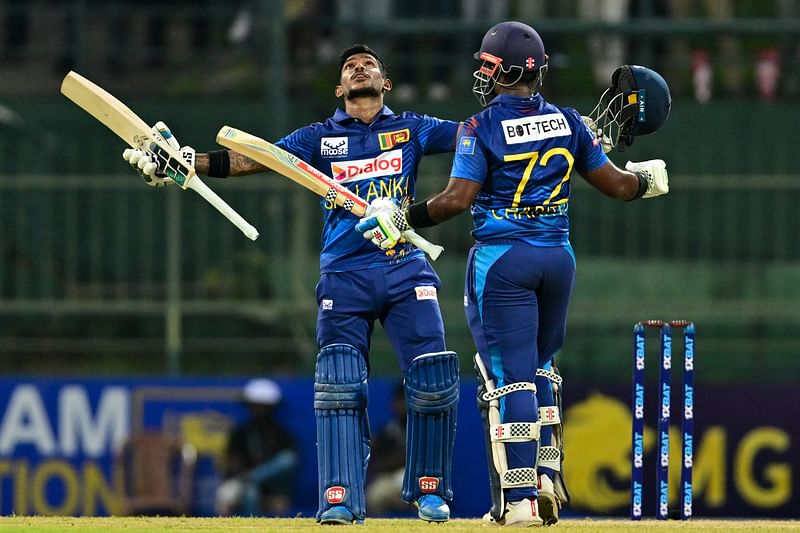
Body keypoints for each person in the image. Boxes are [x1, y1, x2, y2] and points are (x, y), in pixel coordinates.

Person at [122, 43, 461, 525]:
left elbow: (475, 137)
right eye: (349, 67)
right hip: (344, 273)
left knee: (430, 377)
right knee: (340, 384)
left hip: (405, 265)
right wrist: (183, 161)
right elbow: (251, 159)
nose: (359, 67)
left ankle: (430, 491)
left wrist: (544, 124)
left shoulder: (414, 128)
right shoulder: (319, 138)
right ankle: (340, 497)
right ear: (340, 88)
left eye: (369, 64)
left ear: (385, 83)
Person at [356, 21, 671, 527]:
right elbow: (616, 186)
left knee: (508, 379)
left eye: (486, 65)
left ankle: (519, 500)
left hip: (503, 260)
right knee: (542, 366)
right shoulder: (570, 122)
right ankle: (548, 476)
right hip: (557, 259)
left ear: (503, 71)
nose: (481, 73)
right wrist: (647, 181)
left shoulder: (478, 128)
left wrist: (402, 217)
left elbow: (456, 199)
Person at [215, 378, 298, 516]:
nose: (258, 410)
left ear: (271, 408)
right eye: (254, 405)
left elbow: (289, 464)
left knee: (287, 459)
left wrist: (256, 477)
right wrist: (241, 474)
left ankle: (251, 479)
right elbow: (232, 460)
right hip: (242, 484)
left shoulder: (281, 433)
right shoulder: (241, 432)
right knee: (250, 489)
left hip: (272, 486)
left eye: (263, 406)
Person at [365, 382, 408, 516]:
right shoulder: (390, 429)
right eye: (398, 400)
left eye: (404, 400)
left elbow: (410, 457)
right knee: (374, 494)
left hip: (414, 478)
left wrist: (387, 463)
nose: (401, 405)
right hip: (390, 478)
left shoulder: (424, 427)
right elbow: (375, 453)